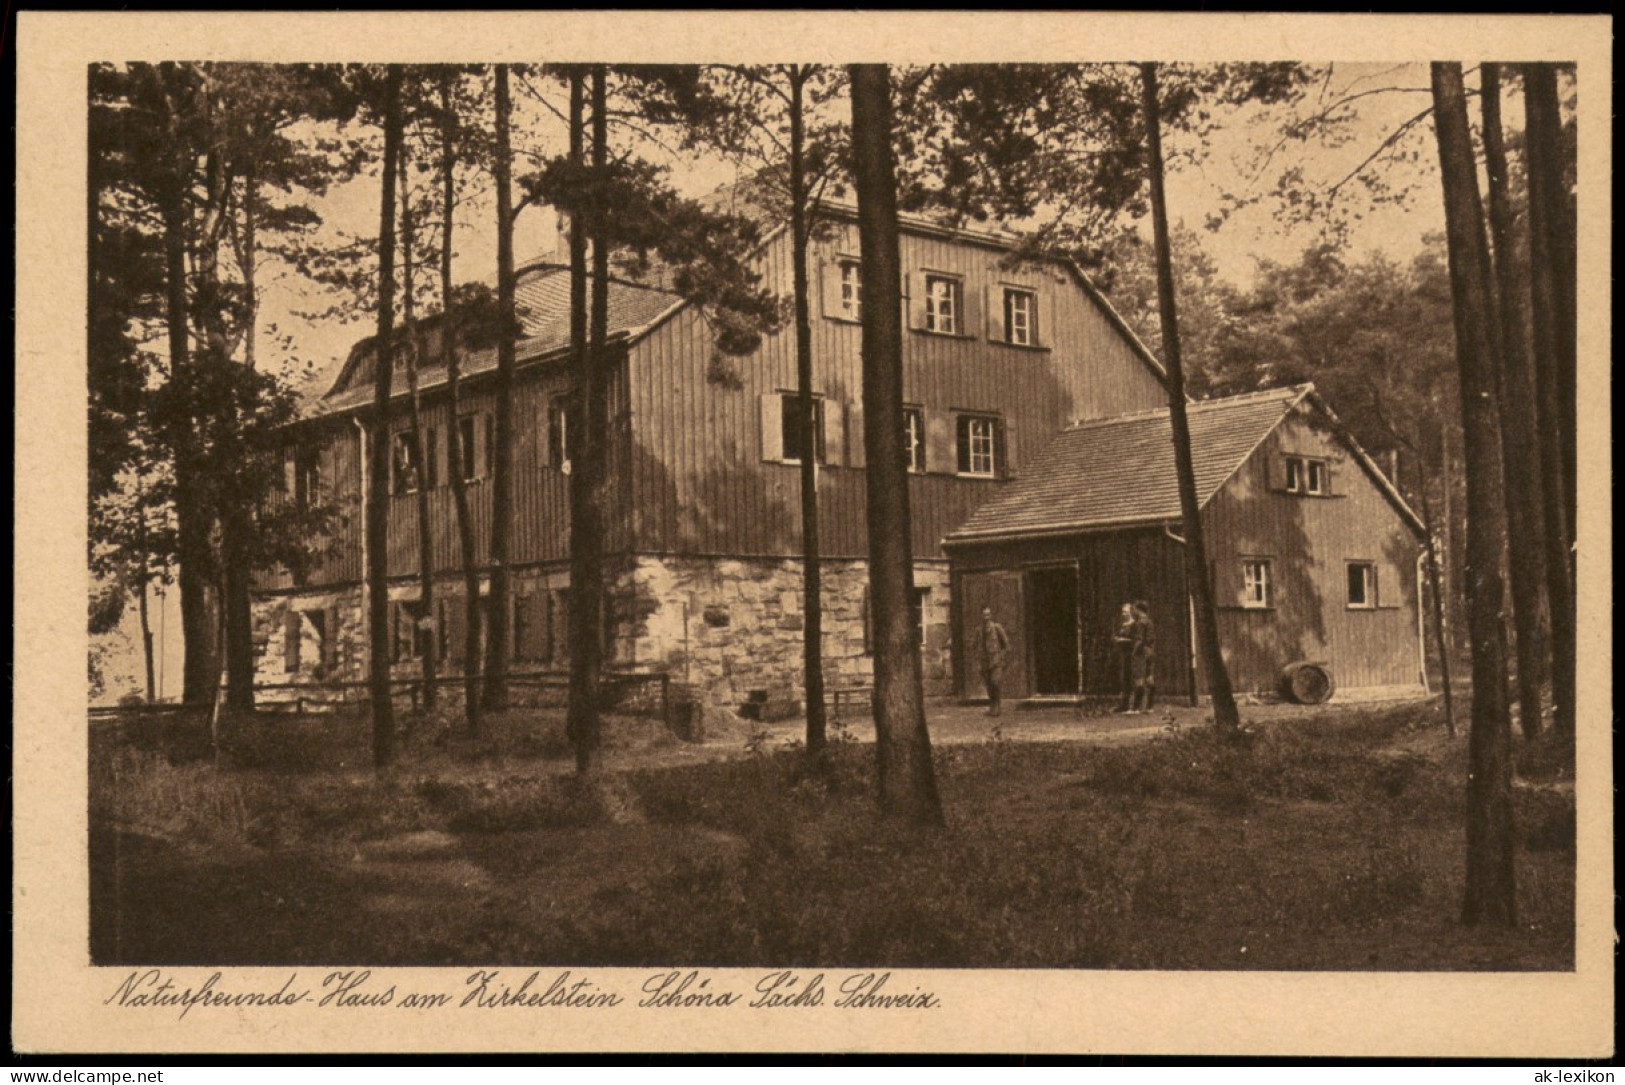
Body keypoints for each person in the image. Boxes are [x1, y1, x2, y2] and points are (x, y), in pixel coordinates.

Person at [979, 607, 1011, 717]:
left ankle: (997, 706)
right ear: (981, 617)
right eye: (984, 615)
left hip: (996, 661)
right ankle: (992, 706)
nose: (986, 618)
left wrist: (1000, 657)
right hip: (985, 662)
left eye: (988, 615)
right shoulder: (979, 631)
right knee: (988, 685)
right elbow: (974, 646)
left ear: (991, 616)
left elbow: (1007, 646)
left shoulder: (997, 628)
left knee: (995, 683)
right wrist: (978, 659)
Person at [1129, 599, 1156, 713]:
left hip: (1141, 652)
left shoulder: (1140, 623)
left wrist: (1134, 651)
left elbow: (1139, 640)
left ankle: (1136, 708)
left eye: (1134, 609)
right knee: (1149, 678)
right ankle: (1150, 707)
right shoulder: (1149, 622)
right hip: (1150, 651)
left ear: (1139, 610)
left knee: (1138, 679)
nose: (1132, 612)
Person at [1111, 602, 1137, 713]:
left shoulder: (1134, 625)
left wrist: (1122, 640)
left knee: (1131, 678)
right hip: (1123, 655)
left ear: (1131, 612)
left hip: (1132, 655)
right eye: (1122, 612)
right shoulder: (1123, 625)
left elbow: (1136, 641)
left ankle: (1132, 706)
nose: (1123, 614)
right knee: (1124, 679)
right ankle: (1124, 705)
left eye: (1125, 612)